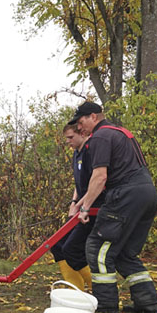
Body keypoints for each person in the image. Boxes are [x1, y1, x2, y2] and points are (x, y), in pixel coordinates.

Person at [70, 102, 157, 313]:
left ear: (93, 116)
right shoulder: (121, 133)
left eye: (81, 122)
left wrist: (86, 209)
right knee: (126, 253)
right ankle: (147, 305)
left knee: (98, 248)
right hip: (146, 194)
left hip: (125, 195)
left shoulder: (100, 137)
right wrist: (81, 202)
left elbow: (100, 176)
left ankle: (106, 305)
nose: (79, 128)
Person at [50, 124, 102, 290]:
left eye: (71, 137)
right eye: (66, 138)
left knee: (72, 250)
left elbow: (98, 183)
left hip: (92, 210)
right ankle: (74, 289)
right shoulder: (76, 153)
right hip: (80, 208)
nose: (68, 141)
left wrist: (81, 206)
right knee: (57, 245)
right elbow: (78, 184)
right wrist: (74, 203)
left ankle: (99, 289)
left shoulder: (91, 152)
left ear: (82, 134)